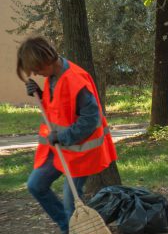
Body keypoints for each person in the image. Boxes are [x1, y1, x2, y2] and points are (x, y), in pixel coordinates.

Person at [16, 36, 117, 234]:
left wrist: (63, 137)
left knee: (72, 204)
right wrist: (41, 94)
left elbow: (90, 120)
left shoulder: (76, 80)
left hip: (81, 152)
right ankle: (67, 228)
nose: (35, 73)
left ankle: (73, 229)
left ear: (46, 60)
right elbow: (61, 110)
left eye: (36, 68)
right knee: (36, 185)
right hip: (59, 149)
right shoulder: (53, 76)